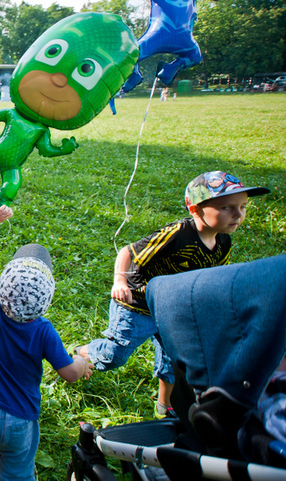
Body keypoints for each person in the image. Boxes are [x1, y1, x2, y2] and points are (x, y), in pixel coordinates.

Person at [75, 171, 270, 419]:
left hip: (174, 309)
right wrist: (119, 280)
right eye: (227, 207)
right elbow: (128, 251)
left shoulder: (223, 243)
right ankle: (81, 352)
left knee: (174, 362)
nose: (238, 214)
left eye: (242, 207)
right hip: (138, 305)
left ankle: (164, 405)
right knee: (115, 355)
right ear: (195, 209)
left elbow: (212, 278)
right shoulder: (177, 234)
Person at [0, 206, 91, 481]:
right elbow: (70, 374)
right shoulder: (44, 332)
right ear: (47, 301)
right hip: (19, 419)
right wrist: (82, 362)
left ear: (2, 286)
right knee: (17, 470)